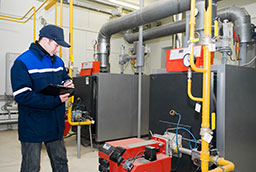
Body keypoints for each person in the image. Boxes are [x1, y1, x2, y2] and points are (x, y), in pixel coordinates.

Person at [11, 24, 74, 172]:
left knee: (61, 162)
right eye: (57, 45)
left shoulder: (58, 62)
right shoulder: (23, 62)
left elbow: (65, 77)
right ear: (45, 40)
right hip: (33, 125)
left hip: (55, 124)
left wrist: (68, 83)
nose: (58, 49)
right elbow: (23, 96)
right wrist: (56, 100)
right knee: (31, 167)